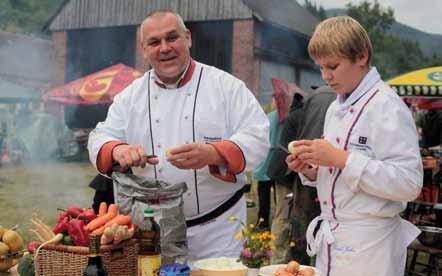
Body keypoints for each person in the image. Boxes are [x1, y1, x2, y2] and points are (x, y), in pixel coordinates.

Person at [87, 10, 269, 261]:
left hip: (218, 231)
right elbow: (100, 136)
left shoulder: (226, 87)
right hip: (152, 233)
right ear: (143, 49)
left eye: (172, 38)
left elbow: (258, 135)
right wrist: (117, 149)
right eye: (154, 42)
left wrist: (214, 153)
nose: (164, 48)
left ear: (188, 38)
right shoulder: (131, 96)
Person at [286, 16, 423, 276]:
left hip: (370, 247)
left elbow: (409, 183)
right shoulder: (335, 107)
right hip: (334, 239)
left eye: (333, 66)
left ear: (361, 57)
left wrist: (342, 159)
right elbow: (341, 178)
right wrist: (312, 169)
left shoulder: (386, 106)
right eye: (320, 68)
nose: (326, 76)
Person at [252, 97, 282, 230]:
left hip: (266, 161)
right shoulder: (288, 117)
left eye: (273, 100)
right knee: (279, 197)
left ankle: (263, 222)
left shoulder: (269, 117)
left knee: (263, 195)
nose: (272, 103)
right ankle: (279, 222)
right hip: (280, 162)